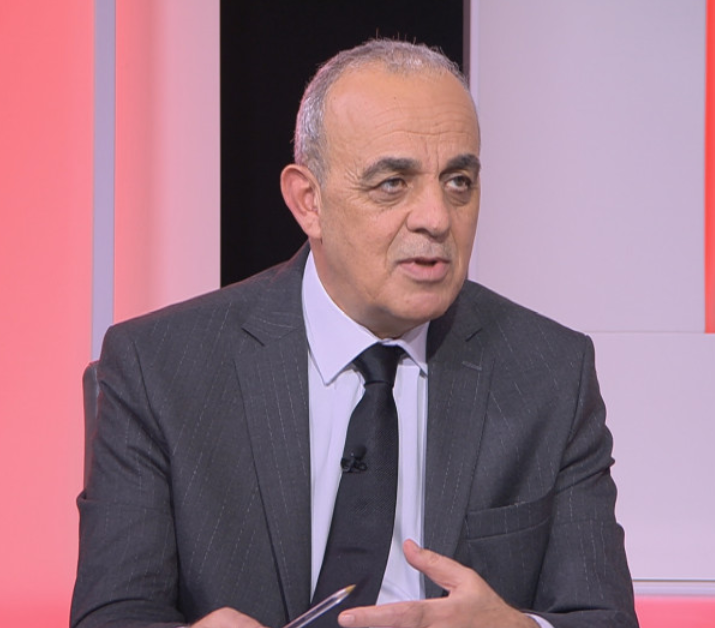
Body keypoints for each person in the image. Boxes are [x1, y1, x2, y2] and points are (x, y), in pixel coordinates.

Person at [71, 40, 638, 628]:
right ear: (308, 201)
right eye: (393, 183)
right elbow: (113, 615)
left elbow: (603, 618)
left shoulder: (550, 372)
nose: (436, 218)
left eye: (458, 181)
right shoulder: (159, 368)